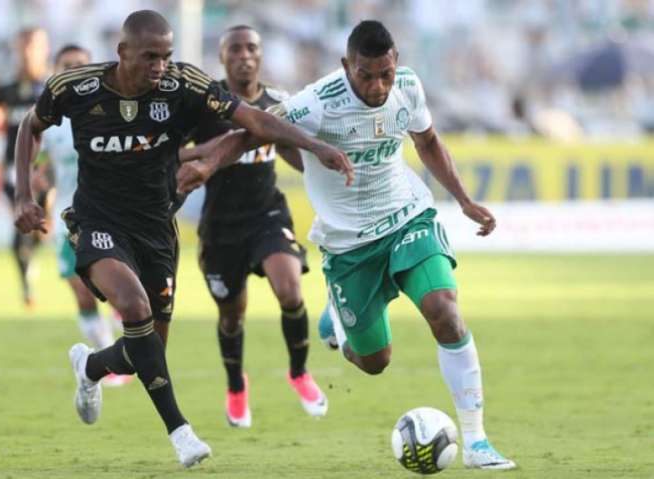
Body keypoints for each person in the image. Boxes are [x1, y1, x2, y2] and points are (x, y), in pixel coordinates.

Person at [13, 10, 351, 468]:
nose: (159, 65)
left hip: (156, 228)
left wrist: (316, 147)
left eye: (166, 56)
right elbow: (28, 127)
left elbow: (251, 119)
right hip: (98, 221)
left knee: (147, 349)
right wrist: (24, 194)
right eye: (150, 56)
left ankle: (90, 366)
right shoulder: (76, 87)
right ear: (123, 52)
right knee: (134, 310)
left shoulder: (183, 85)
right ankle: (182, 433)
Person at [178, 20, 516, 470]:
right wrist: (206, 164)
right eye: (366, 75)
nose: (378, 86)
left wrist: (464, 200)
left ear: (396, 64)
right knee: (374, 360)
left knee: (444, 310)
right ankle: (336, 324)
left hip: (406, 217)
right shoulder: (317, 102)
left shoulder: (409, 87)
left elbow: (428, 141)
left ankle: (476, 442)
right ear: (346, 67)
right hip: (348, 245)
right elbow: (251, 133)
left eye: (385, 74)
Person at [180, 25, 327, 428]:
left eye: (252, 48)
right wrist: (207, 152)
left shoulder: (277, 101)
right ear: (223, 57)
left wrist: (320, 172)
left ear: (261, 56)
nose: (245, 55)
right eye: (235, 49)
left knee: (290, 287)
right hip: (220, 228)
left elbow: (287, 148)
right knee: (232, 317)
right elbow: (174, 152)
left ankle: (298, 372)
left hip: (267, 216)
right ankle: (235, 386)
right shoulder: (206, 106)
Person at [40, 44, 130, 387]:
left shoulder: (108, 113)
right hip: (66, 218)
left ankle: (125, 334)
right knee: (80, 290)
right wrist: (38, 189)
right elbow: (42, 169)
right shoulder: (49, 123)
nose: (74, 71)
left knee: (115, 285)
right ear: (56, 72)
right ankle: (104, 350)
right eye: (67, 66)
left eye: (81, 65)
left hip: (108, 214)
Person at [0, 27, 51, 307]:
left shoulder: (52, 87)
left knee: (40, 224)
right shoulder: (6, 90)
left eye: (34, 45)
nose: (28, 51)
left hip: (47, 167)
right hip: (15, 168)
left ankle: (33, 251)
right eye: (24, 45)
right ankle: (26, 281)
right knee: (21, 225)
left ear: (44, 48)